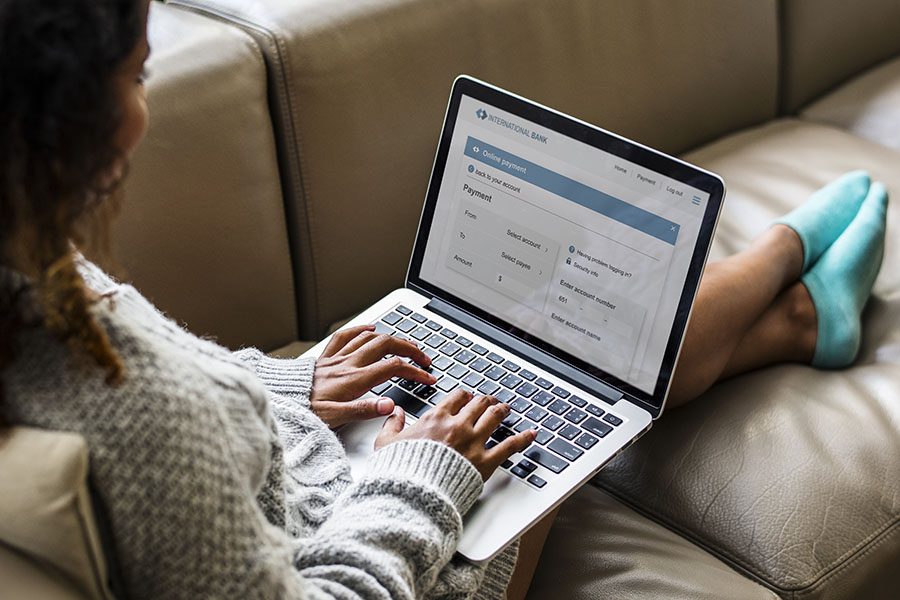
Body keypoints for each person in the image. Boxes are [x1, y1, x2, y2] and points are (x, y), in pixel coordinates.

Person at [0, 1, 888, 599]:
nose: (143, 113)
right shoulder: (138, 422)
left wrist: (280, 389)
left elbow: (165, 392)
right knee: (565, 360)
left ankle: (799, 320)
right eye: (138, 78)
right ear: (56, 116)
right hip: (411, 550)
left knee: (544, 358)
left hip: (321, 470)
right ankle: (785, 257)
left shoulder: (29, 268)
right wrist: (425, 473)